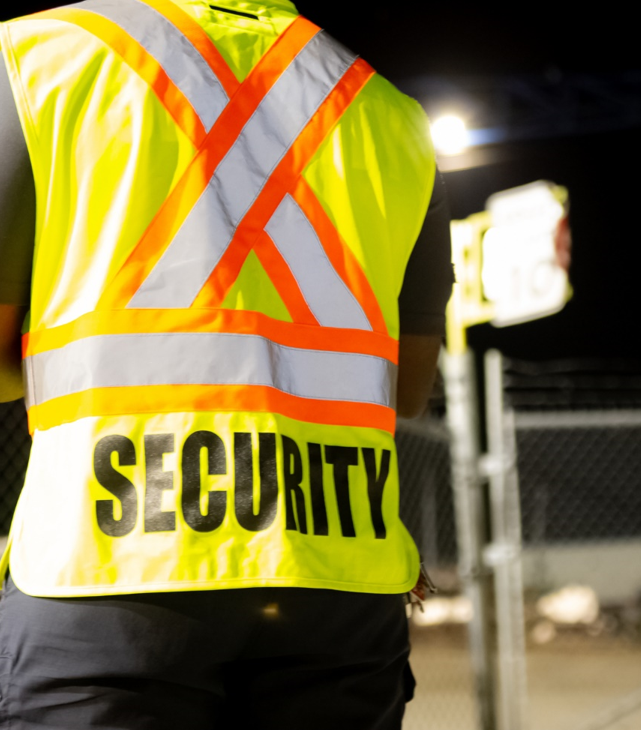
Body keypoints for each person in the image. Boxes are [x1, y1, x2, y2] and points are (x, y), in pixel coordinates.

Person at [0, 0, 453, 727]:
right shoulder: (389, 110)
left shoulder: (39, 58)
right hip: (340, 582)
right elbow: (407, 385)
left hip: (107, 577)